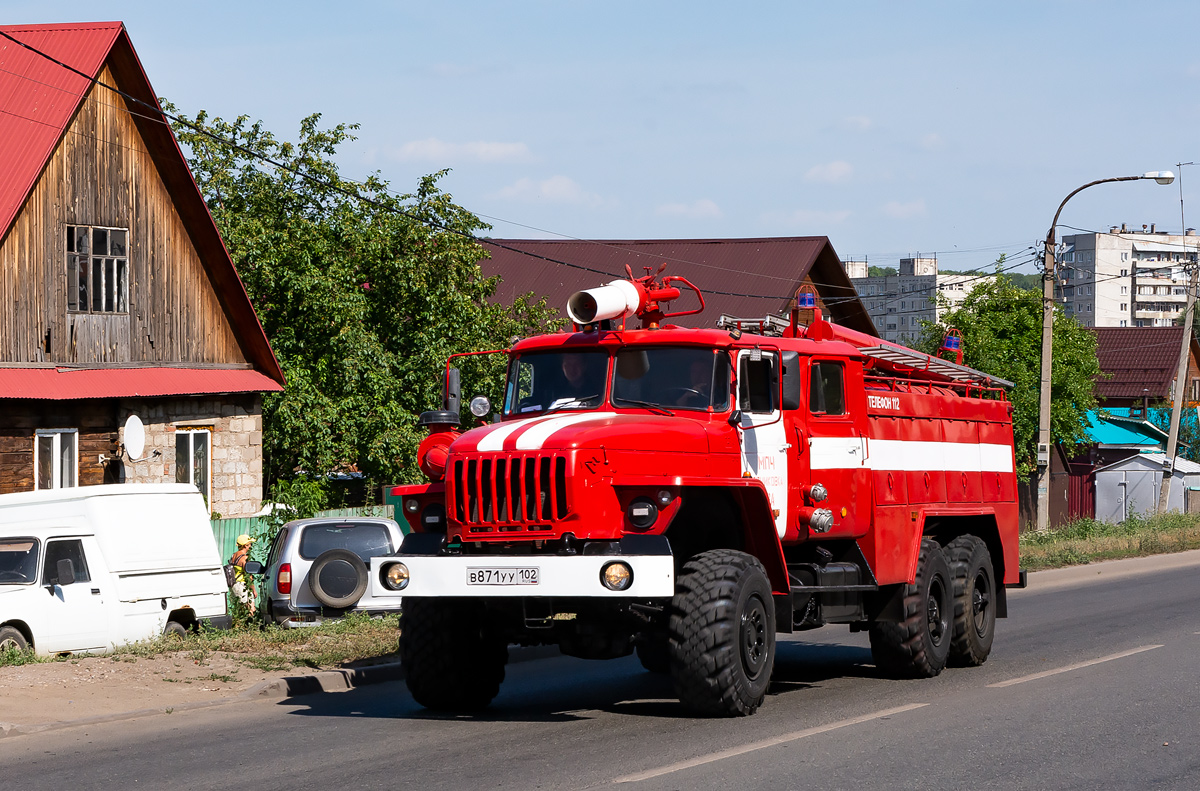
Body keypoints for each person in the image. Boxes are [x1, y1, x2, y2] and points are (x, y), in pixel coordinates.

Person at [230, 534, 257, 617]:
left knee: (241, 610)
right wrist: (254, 590)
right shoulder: (244, 558)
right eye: (250, 544)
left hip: (234, 585)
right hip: (242, 586)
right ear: (246, 545)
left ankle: (240, 627)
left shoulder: (234, 555)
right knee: (250, 609)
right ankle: (249, 628)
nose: (251, 547)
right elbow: (249, 575)